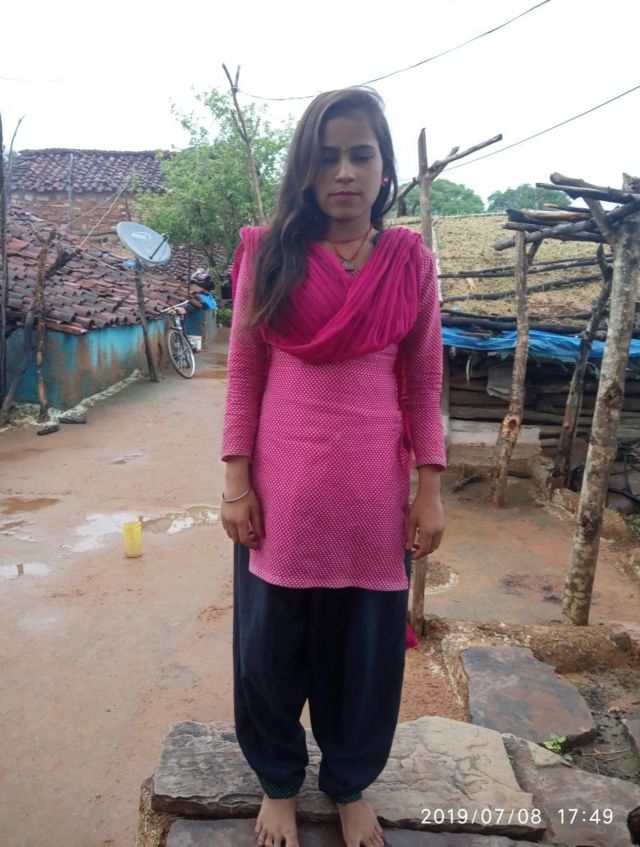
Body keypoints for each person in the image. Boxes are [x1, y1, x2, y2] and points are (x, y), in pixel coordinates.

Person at [220, 87, 446, 847]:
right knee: (269, 653)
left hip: (372, 500)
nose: (344, 172)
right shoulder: (269, 254)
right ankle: (279, 783)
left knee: (364, 657)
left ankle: (349, 783)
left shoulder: (409, 262)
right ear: (305, 169)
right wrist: (235, 484)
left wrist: (430, 491)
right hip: (282, 498)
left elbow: (423, 384)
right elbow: (245, 373)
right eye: (326, 157)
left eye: (360, 155)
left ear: (384, 167)